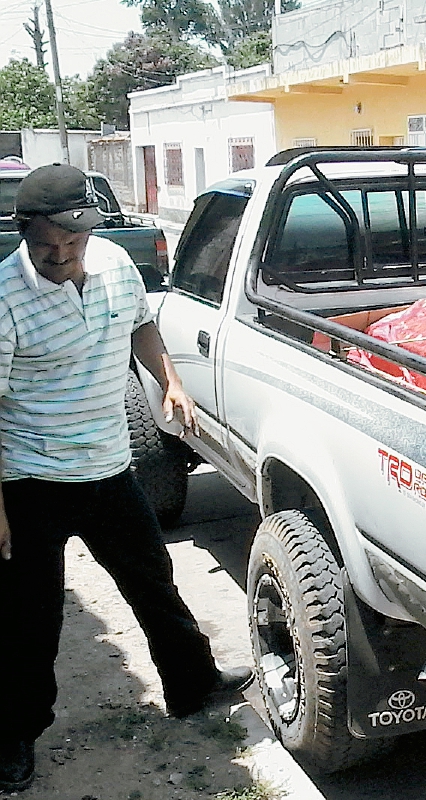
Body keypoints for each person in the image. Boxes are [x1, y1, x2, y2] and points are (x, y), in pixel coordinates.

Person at [0, 164, 251, 793]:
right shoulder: (3, 297)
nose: (59, 257)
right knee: (28, 620)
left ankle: (192, 685)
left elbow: (141, 325)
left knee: (155, 584)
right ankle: (15, 734)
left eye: (71, 243)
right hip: (30, 481)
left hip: (111, 469)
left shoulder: (115, 263)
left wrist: (171, 380)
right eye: (45, 245)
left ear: (89, 230)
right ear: (24, 232)